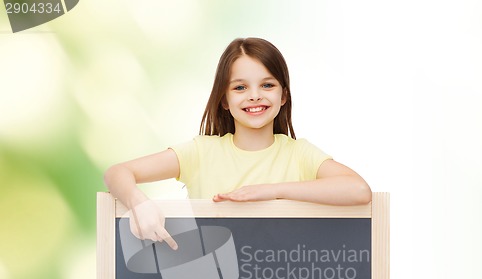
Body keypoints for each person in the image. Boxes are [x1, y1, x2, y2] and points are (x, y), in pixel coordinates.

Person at [104, 37, 372, 250]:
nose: (254, 96)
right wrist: (139, 203)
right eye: (240, 88)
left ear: (283, 96)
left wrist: (271, 191)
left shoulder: (299, 154)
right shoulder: (201, 152)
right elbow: (117, 172)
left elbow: (358, 190)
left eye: (267, 85)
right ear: (224, 100)